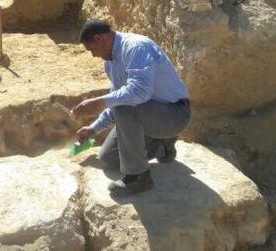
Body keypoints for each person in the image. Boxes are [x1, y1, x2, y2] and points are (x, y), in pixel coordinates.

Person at [71, 20, 191, 196]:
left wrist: (99, 102)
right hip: (148, 118)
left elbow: (139, 92)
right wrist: (93, 129)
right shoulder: (110, 62)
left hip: (174, 114)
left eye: (91, 49)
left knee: (124, 108)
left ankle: (138, 177)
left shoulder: (136, 47)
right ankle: (162, 146)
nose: (93, 55)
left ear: (99, 38)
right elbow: (118, 98)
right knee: (109, 158)